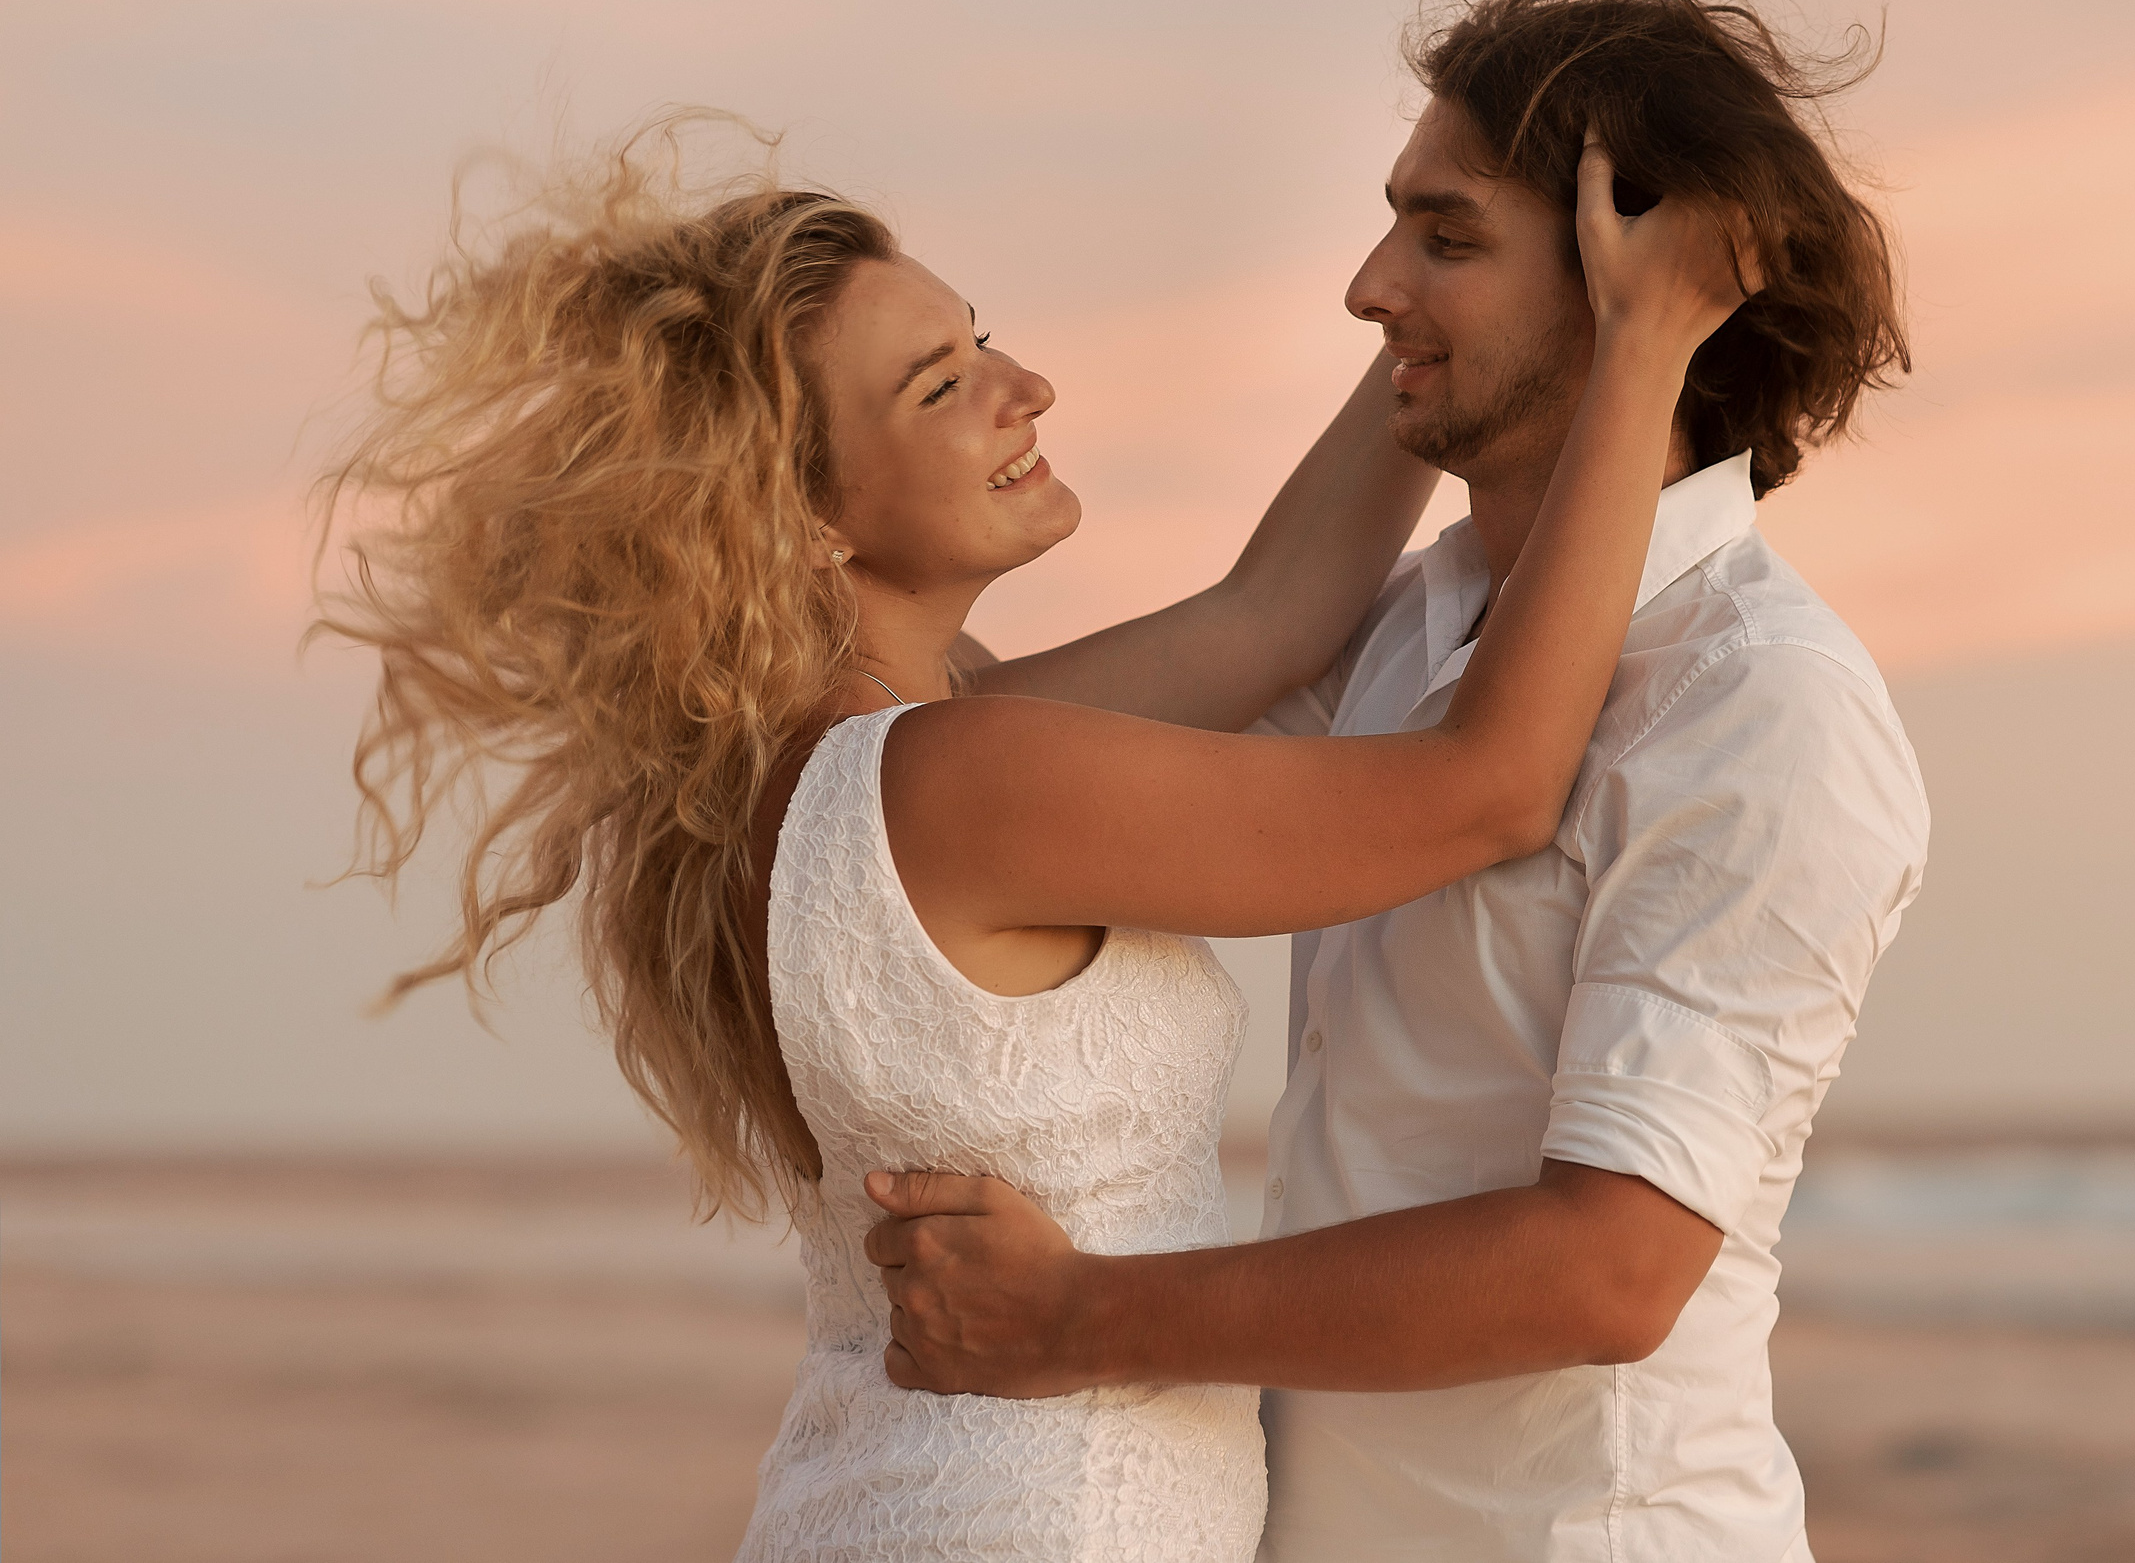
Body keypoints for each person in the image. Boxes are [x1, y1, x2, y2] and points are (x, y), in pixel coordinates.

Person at [316, 110, 1757, 1561]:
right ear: (804, 516)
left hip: (888, 1495)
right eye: (945, 385)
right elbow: (1490, 783)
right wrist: (1642, 347)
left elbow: (1268, 614)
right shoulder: (967, 777)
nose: (1027, 386)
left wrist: (1446, 323)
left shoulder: (826, 764)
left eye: (984, 338)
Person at [862, 0, 1928, 1561]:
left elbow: (1610, 1268)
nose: (1368, 288)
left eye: (1446, 236)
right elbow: (996, 764)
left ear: (1641, 284)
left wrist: (1081, 1318)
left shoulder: (1766, 705)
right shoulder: (1404, 628)